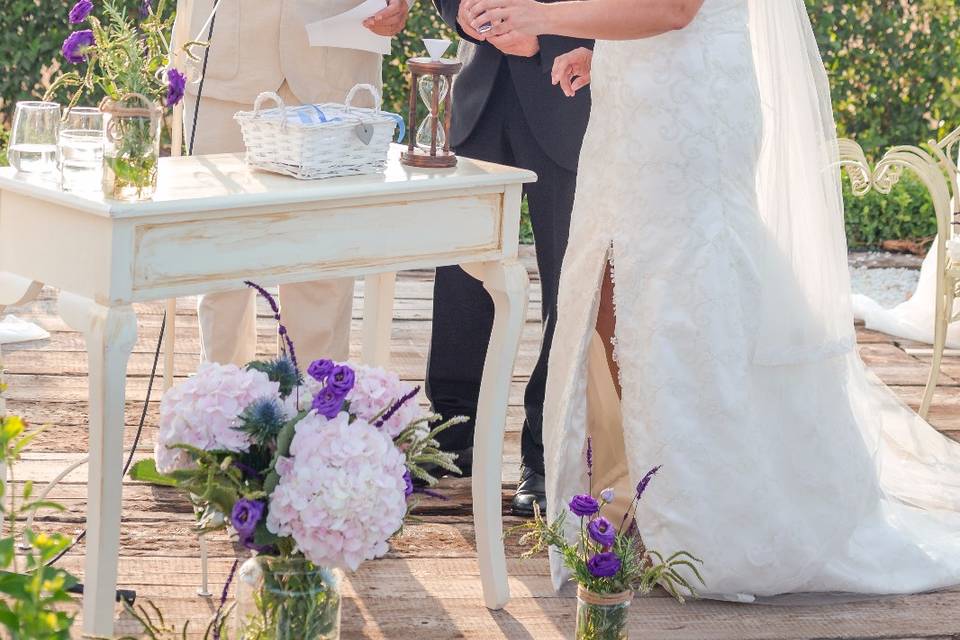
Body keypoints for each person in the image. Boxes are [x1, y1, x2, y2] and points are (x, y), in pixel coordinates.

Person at [460, 0, 960, 599]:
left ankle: (709, 510)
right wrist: (605, 52)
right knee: (617, 291)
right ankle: (639, 500)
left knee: (686, 288)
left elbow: (674, 10)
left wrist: (541, 18)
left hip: (689, 109)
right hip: (636, 101)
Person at [426, 0, 593, 516]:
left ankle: (545, 453)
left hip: (572, 95)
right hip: (481, 95)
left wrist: (550, 42)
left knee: (567, 281)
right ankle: (452, 435)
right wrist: (465, 14)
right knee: (460, 274)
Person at [182, 0, 409, 366]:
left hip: (338, 63)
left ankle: (315, 414)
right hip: (224, 62)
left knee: (323, 269)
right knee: (222, 258)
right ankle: (221, 405)